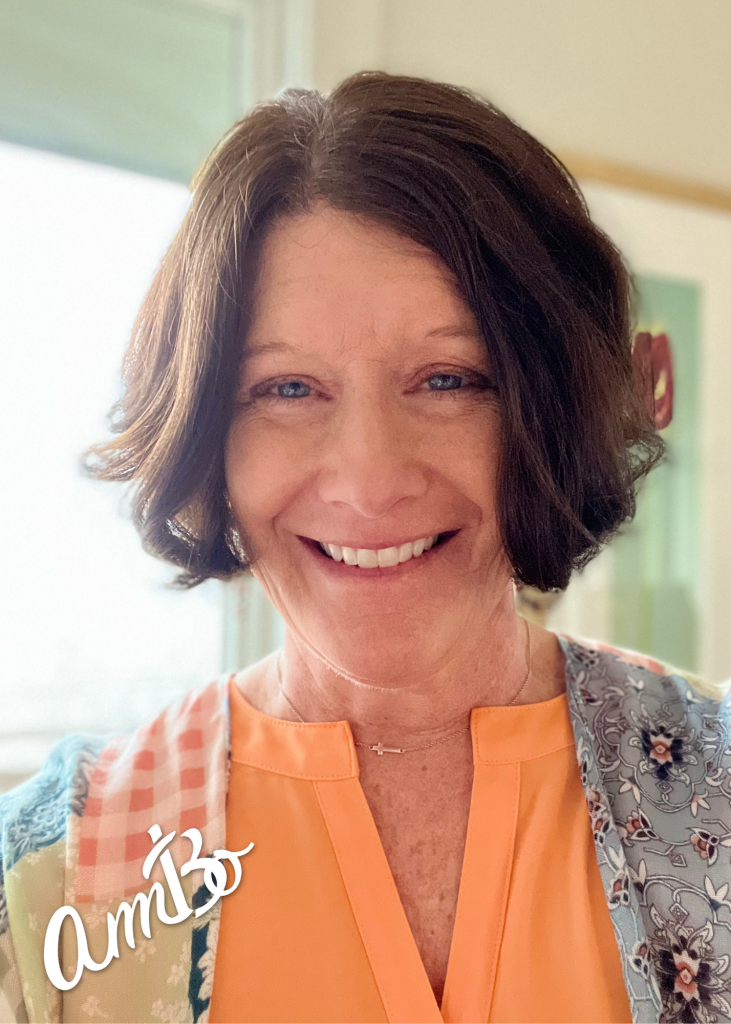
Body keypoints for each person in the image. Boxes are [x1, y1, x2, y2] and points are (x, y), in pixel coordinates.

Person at [1, 71, 729, 1024]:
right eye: (287, 389)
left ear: (553, 405)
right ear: (206, 432)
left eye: (447, 378)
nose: (369, 480)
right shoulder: (57, 877)